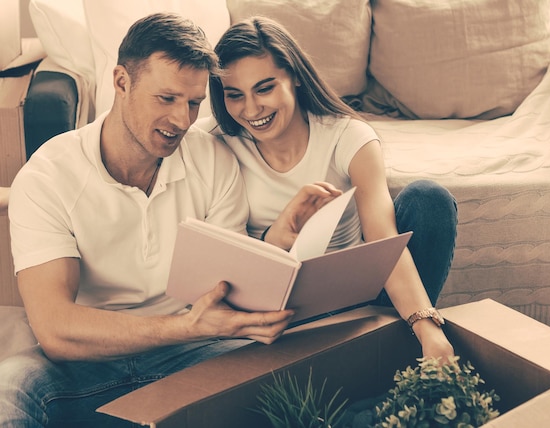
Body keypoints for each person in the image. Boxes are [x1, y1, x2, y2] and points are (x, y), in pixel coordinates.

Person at [0, 12, 336, 426]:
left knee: (302, 386)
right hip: (89, 358)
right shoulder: (47, 176)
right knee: (8, 389)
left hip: (196, 352)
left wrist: (277, 251)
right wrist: (186, 327)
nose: (182, 120)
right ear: (122, 82)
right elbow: (56, 329)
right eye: (166, 98)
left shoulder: (213, 160)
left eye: (194, 103)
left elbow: (228, 286)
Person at [207, 16, 458, 360]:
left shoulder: (347, 136)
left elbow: (384, 240)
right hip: (277, 312)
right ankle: (381, 357)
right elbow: (223, 261)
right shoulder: (216, 145)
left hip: (358, 302)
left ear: (293, 76)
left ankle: (405, 343)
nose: (251, 110)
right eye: (235, 95)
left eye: (264, 88)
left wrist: (427, 327)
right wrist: (277, 237)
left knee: (429, 199)